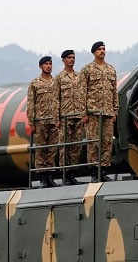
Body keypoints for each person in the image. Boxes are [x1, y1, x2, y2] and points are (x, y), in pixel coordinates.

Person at [79, 41, 118, 182]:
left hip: (108, 112)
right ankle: (95, 172)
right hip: (93, 112)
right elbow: (82, 92)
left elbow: (114, 91)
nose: (102, 51)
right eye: (99, 49)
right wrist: (83, 113)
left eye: (103, 49)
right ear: (94, 52)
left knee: (107, 142)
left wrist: (115, 111)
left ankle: (104, 170)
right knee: (93, 143)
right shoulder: (87, 70)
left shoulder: (111, 69)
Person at [26, 56, 60, 188]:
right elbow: (31, 103)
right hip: (40, 121)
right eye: (46, 64)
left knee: (51, 150)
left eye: (50, 64)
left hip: (53, 120)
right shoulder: (35, 83)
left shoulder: (56, 82)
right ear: (41, 66)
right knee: (41, 149)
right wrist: (31, 122)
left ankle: (50, 177)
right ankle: (42, 178)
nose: (48, 66)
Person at [55, 49, 83, 185]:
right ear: (63, 60)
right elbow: (56, 99)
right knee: (64, 146)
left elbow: (83, 95)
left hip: (78, 115)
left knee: (76, 146)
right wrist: (57, 118)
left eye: (73, 57)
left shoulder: (79, 76)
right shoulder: (59, 78)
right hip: (65, 116)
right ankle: (65, 174)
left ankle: (72, 173)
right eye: (69, 58)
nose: (72, 60)